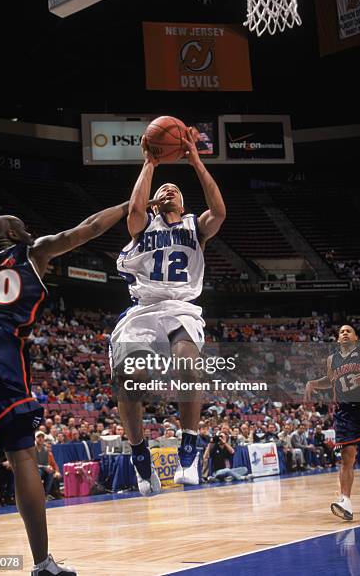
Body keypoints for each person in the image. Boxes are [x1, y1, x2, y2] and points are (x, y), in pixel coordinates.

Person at [0, 201, 130, 576]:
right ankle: (41, 564)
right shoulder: (31, 253)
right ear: (16, 235)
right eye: (24, 227)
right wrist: (131, 204)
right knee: (22, 456)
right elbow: (87, 228)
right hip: (0, 343)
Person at [110, 127, 226, 495]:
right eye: (162, 190)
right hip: (144, 308)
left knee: (187, 359)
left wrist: (194, 160)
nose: (167, 189)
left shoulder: (197, 227)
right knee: (130, 376)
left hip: (180, 306)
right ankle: (140, 455)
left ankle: (188, 451)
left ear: (184, 202)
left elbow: (220, 210)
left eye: (174, 189)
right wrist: (149, 162)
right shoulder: (143, 225)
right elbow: (133, 208)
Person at [305, 324, 360, 521]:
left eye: (348, 331)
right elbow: (330, 381)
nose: (344, 333)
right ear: (338, 338)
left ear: (355, 337)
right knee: (347, 457)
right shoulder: (332, 360)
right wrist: (313, 383)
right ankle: (345, 501)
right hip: (345, 411)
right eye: (341, 331)